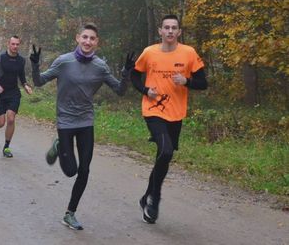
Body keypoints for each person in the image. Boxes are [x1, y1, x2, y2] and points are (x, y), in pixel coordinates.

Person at [31, 23, 133, 230]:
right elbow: (39, 82)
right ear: (77, 38)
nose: (88, 42)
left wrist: (126, 73)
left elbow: (120, 90)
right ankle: (60, 146)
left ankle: (70, 213)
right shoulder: (63, 61)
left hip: (86, 121)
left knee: (84, 170)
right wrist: (34, 65)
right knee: (71, 171)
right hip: (66, 122)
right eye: (84, 37)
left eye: (92, 38)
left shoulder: (100, 67)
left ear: (97, 42)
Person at [131, 14, 207, 224]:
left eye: (174, 28)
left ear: (179, 32)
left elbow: (203, 82)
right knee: (165, 151)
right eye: (167, 27)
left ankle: (146, 196)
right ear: (160, 31)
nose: (170, 31)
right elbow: (134, 75)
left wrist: (187, 81)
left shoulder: (189, 53)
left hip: (176, 113)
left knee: (163, 156)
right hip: (153, 110)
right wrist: (146, 90)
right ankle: (155, 199)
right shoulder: (149, 52)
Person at [0, 36, 32, 157]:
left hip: (13, 92)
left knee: (11, 118)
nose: (15, 47)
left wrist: (25, 85)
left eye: (17, 44)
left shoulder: (21, 60)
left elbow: (21, 75)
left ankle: (6, 147)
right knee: (0, 123)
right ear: (8, 44)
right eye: (13, 44)